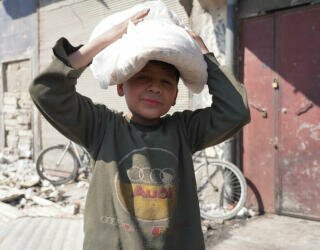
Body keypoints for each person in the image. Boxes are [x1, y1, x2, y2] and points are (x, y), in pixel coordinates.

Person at [29, 9, 250, 250]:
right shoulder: (101, 127)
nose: (155, 87)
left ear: (176, 95)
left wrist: (207, 57)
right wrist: (105, 40)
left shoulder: (184, 131)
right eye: (143, 78)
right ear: (121, 87)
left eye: (166, 82)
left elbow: (235, 111)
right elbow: (46, 92)